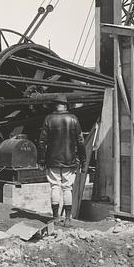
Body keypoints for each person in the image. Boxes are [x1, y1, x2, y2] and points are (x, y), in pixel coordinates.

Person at [38, 96, 86, 226]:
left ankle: (55, 218)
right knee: (67, 188)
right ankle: (68, 219)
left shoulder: (49, 119)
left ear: (55, 105)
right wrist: (83, 160)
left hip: (52, 160)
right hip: (69, 159)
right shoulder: (73, 119)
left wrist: (41, 160)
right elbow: (80, 142)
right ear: (66, 105)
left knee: (54, 187)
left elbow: (42, 142)